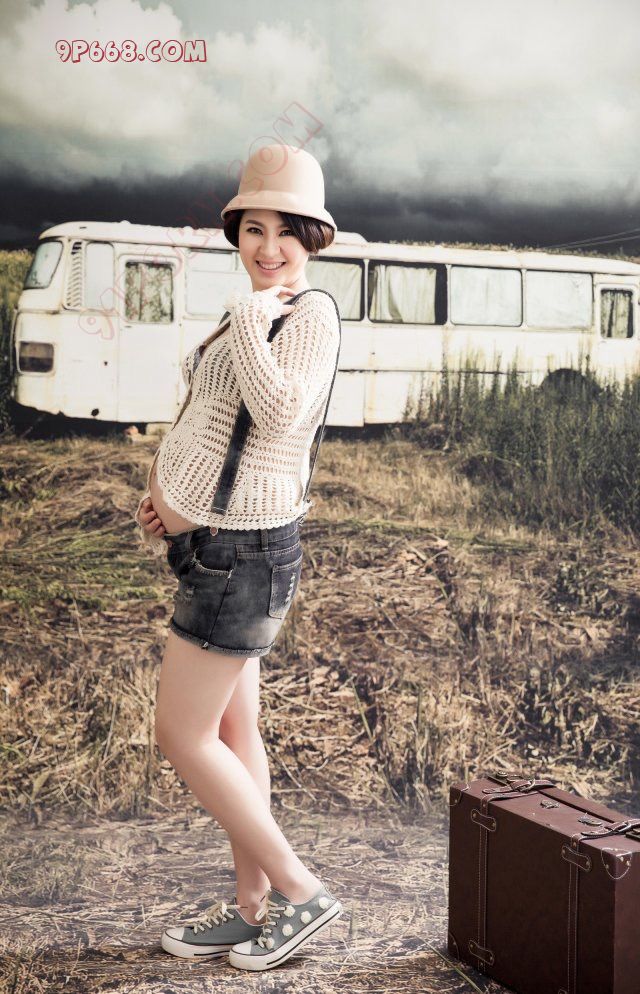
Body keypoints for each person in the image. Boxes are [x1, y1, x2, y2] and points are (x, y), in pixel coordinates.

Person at [133, 143, 343, 971]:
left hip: (242, 554)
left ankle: (299, 890)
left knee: (180, 734)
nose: (268, 246)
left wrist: (253, 318)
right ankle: (254, 909)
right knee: (231, 726)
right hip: (214, 545)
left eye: (287, 231)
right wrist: (168, 501)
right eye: (254, 229)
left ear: (312, 239)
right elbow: (214, 420)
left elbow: (280, 412)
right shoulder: (255, 310)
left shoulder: (306, 316)